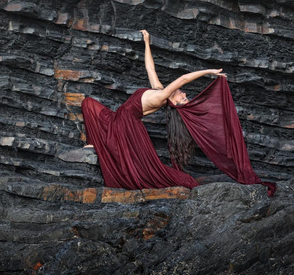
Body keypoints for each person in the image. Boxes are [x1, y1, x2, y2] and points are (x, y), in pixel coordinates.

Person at [81, 30, 223, 190]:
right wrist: (147, 43)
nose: (183, 93)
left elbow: (183, 79)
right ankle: (95, 143)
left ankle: (95, 143)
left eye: (183, 98)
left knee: (88, 103)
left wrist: (209, 72)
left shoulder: (162, 96)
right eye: (185, 96)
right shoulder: (159, 90)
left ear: (174, 102)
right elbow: (150, 69)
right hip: (123, 121)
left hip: (124, 124)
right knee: (88, 104)